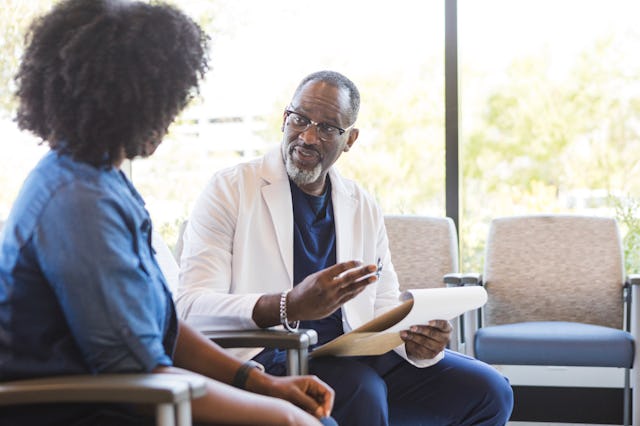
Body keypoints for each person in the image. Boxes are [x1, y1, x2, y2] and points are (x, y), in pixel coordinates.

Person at [0, 1, 335, 425]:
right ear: (126, 104)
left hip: (134, 396)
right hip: (86, 410)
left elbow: (160, 329)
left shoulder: (99, 180)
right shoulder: (78, 202)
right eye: (163, 105)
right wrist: (284, 418)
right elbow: (140, 375)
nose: (168, 120)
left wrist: (260, 382)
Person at [176, 70, 515, 426]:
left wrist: (415, 342)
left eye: (327, 128)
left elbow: (383, 302)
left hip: (350, 352)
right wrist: (286, 305)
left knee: (489, 391)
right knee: (362, 390)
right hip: (271, 355)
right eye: (300, 119)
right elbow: (189, 307)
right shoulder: (230, 189)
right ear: (284, 119)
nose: (307, 136)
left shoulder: (362, 204)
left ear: (349, 139)